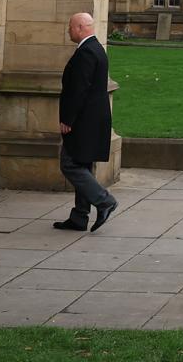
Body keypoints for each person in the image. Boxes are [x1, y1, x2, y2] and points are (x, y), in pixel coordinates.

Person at [53, 12, 117, 233]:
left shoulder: (87, 53)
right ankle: (80, 217)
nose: (68, 30)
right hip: (92, 119)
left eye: (70, 27)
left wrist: (68, 119)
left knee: (69, 164)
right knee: (81, 164)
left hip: (83, 121)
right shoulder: (94, 49)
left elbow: (78, 90)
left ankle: (104, 200)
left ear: (80, 27)